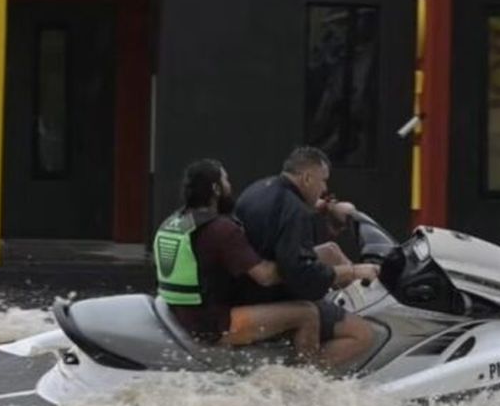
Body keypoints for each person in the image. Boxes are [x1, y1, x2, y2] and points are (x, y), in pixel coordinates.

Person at [153, 159, 320, 359]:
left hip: (180, 314)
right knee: (307, 314)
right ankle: (309, 381)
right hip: (213, 324)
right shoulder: (221, 229)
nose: (230, 186)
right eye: (226, 180)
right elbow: (265, 276)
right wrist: (303, 267)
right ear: (216, 188)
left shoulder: (174, 221)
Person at [234, 146, 379, 368]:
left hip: (244, 284)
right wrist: (354, 271)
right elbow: (303, 277)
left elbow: (282, 218)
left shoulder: (260, 188)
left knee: (330, 250)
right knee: (363, 334)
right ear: (307, 178)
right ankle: (306, 379)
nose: (325, 187)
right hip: (268, 296)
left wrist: (329, 207)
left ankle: (356, 301)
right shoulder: (295, 212)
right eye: (323, 181)